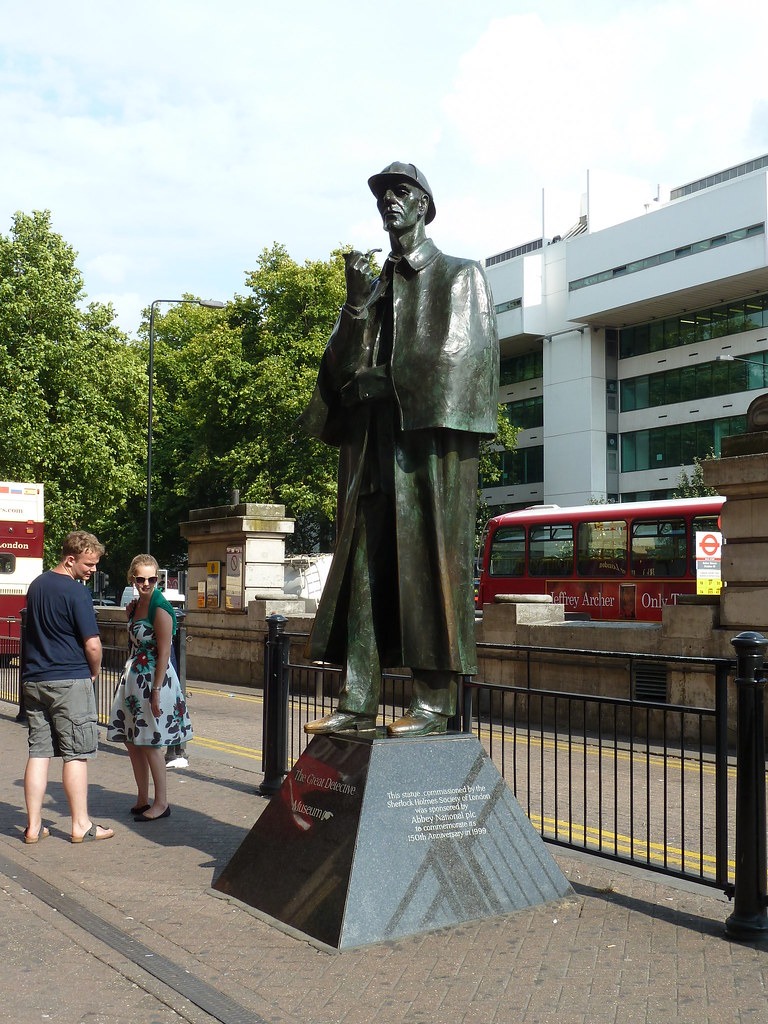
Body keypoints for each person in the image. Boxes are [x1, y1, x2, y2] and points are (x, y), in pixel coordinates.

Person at [300, 161, 499, 738]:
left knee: (430, 566)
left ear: (423, 207)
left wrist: (386, 382)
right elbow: (338, 370)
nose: (391, 201)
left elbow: (464, 362)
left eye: (402, 192)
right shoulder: (374, 288)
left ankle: (435, 704)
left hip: (424, 453)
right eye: (384, 194)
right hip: (372, 451)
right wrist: (356, 306)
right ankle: (357, 701)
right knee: (364, 567)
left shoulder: (461, 276)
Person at [22, 530, 114, 843]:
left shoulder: (36, 585)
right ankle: (80, 825)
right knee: (76, 754)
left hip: (35, 680)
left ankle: (33, 827)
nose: (93, 569)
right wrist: (95, 671)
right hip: (68, 680)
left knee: (39, 753)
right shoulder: (76, 593)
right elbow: (92, 644)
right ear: (70, 558)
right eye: (89, 563)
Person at [106, 555, 192, 820]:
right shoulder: (135, 606)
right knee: (134, 742)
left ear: (158, 579)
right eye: (141, 579)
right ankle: (143, 797)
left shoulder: (161, 608)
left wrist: (155, 691)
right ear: (133, 578)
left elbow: (165, 653)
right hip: (134, 680)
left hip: (155, 681)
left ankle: (161, 803)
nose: (146, 583)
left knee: (152, 741)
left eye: (152, 579)